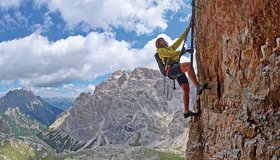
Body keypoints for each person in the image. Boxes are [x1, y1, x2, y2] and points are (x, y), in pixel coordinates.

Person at [155, 26, 208, 118]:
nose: (162, 40)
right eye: (160, 40)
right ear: (158, 44)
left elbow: (179, 40)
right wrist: (184, 51)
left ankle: (186, 111)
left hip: (176, 71)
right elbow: (170, 54)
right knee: (188, 65)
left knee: (186, 88)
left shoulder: (170, 48)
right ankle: (198, 86)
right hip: (171, 71)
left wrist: (188, 28)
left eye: (163, 39)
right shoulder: (160, 51)